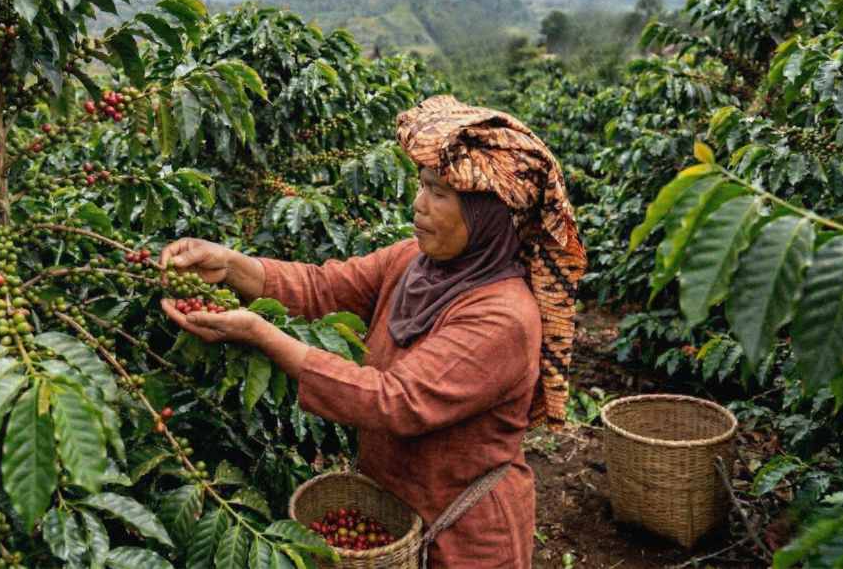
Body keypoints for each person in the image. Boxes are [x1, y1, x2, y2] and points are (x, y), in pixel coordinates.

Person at [160, 95, 587, 568]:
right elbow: (323, 287)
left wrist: (263, 335)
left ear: (486, 217)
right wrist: (231, 264)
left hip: (465, 541)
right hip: (393, 510)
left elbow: (394, 400)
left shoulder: (503, 318)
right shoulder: (413, 262)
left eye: (439, 194)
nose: (418, 205)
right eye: (422, 185)